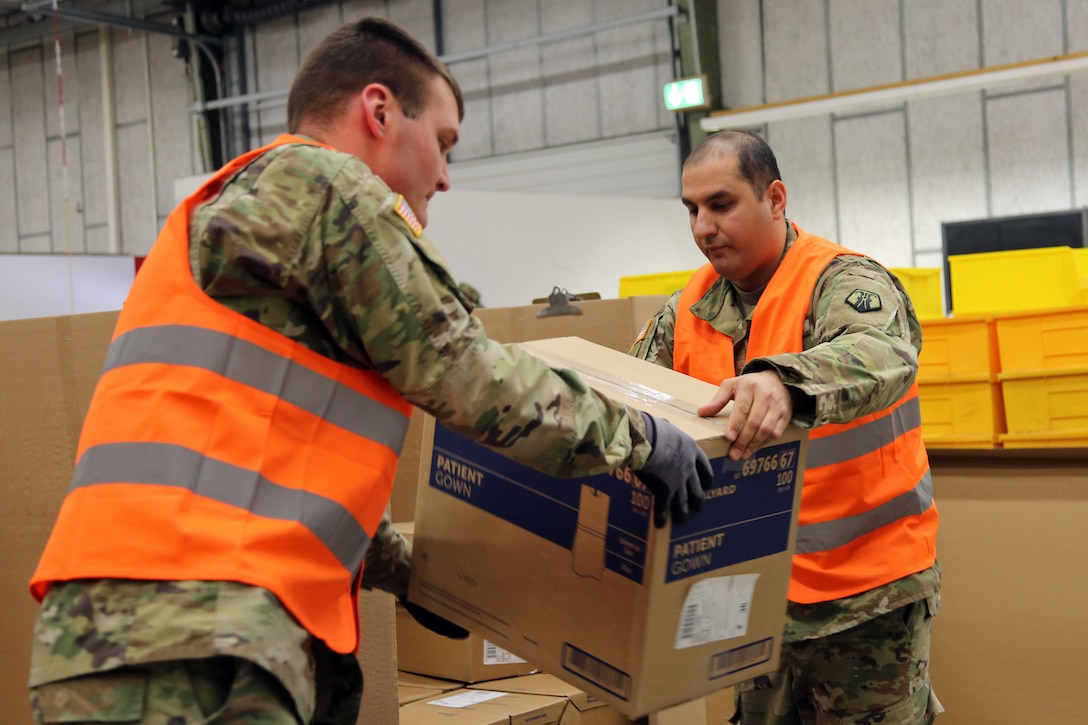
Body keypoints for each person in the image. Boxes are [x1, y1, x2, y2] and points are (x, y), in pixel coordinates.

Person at [27, 17, 712, 725]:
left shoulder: (257, 206)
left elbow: (273, 472)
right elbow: (469, 375)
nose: (445, 176)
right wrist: (642, 438)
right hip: (195, 631)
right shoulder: (322, 187)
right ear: (379, 110)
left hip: (143, 628)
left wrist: (416, 575)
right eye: (443, 143)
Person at [629, 130, 942, 724]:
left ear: (775, 198)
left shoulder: (842, 282)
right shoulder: (687, 311)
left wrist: (785, 381)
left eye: (721, 205)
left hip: (867, 595)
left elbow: (885, 354)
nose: (702, 227)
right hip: (753, 597)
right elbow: (630, 400)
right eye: (692, 210)